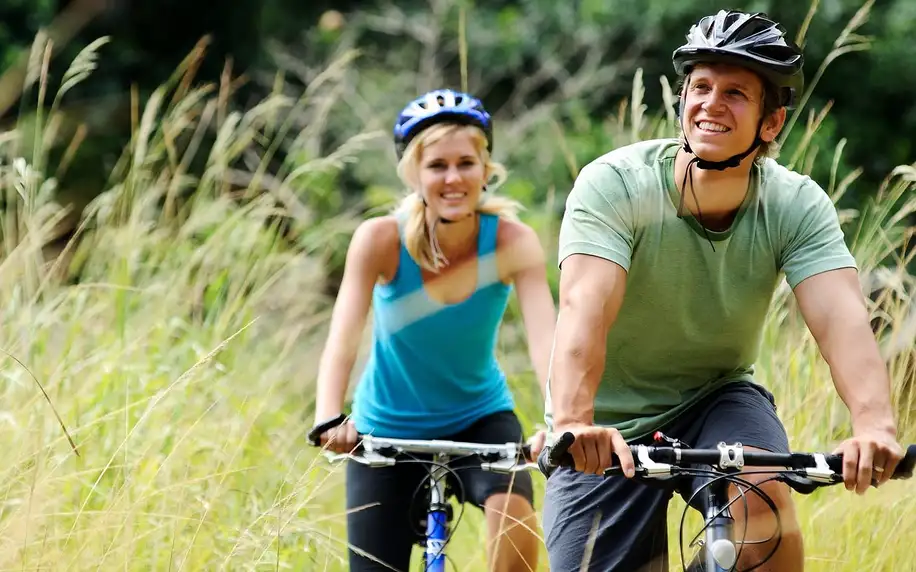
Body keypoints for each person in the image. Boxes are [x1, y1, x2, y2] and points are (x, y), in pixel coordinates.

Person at [540, 10, 905, 572]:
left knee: (765, 501)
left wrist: (874, 425)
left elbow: (842, 318)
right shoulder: (616, 183)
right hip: (604, 423)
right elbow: (585, 305)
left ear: (771, 123)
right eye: (701, 87)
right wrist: (572, 420)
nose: (711, 103)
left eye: (735, 93)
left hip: (716, 397)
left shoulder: (795, 204)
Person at [308, 88, 557, 572]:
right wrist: (328, 418)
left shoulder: (513, 241)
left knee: (517, 526)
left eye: (466, 162)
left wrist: (559, 421)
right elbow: (343, 338)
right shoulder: (380, 239)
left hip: (479, 419)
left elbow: (548, 340)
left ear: (485, 169)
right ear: (414, 174)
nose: (453, 177)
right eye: (437, 165)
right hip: (385, 428)